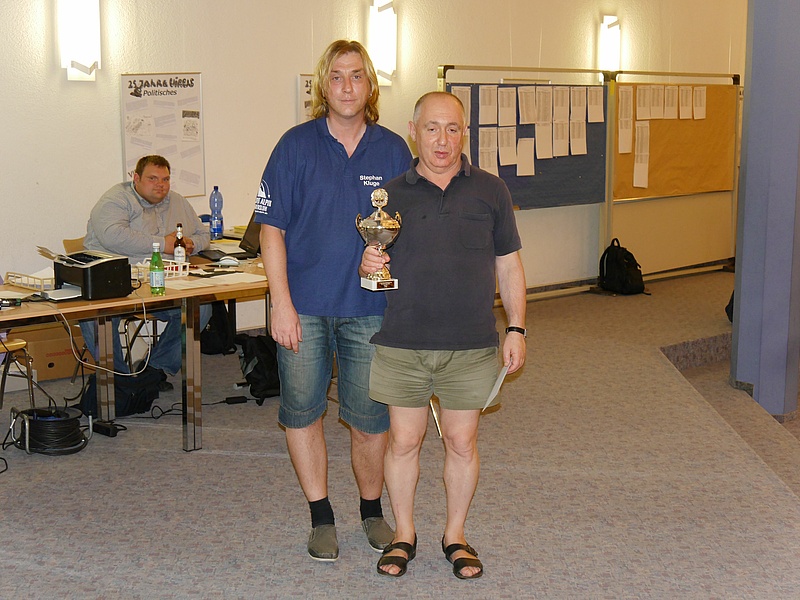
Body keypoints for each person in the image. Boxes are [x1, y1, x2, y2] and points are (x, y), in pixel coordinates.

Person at [254, 40, 412, 562]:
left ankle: (371, 510)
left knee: (369, 420)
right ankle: (321, 516)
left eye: (357, 76)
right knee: (303, 414)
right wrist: (280, 303)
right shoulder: (294, 146)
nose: (347, 86)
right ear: (324, 85)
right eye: (338, 76)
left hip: (370, 309)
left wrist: (386, 260)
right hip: (304, 308)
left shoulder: (393, 150)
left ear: (371, 86)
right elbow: (271, 230)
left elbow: (408, 229)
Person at [360, 91, 527, 579]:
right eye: (432, 128)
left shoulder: (492, 191)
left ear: (464, 134)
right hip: (403, 341)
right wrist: (368, 264)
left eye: (453, 129)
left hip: (470, 343)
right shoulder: (389, 196)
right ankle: (404, 534)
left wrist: (516, 328)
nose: (442, 139)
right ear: (414, 132)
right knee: (403, 442)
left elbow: (509, 265)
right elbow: (374, 270)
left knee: (461, 442)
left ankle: (455, 535)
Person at [80, 155, 211, 387]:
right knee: (93, 316)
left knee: (200, 308)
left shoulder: (178, 201)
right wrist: (164, 244)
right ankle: (118, 380)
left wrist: (191, 244)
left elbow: (204, 234)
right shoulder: (116, 199)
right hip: (119, 281)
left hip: (166, 281)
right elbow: (113, 236)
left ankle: (155, 371)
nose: (160, 184)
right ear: (136, 178)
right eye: (152, 178)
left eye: (165, 179)